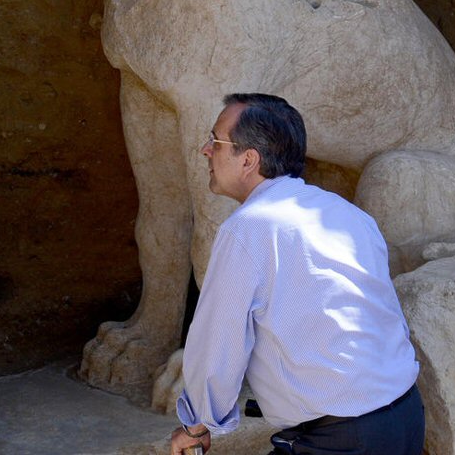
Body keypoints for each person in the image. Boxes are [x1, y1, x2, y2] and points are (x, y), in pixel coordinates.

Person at [169, 93, 425, 455]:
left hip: (342, 438)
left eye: (215, 140)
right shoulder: (345, 213)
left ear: (249, 160)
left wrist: (197, 425)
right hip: (405, 417)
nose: (205, 150)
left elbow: (218, 343)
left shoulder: (247, 229)